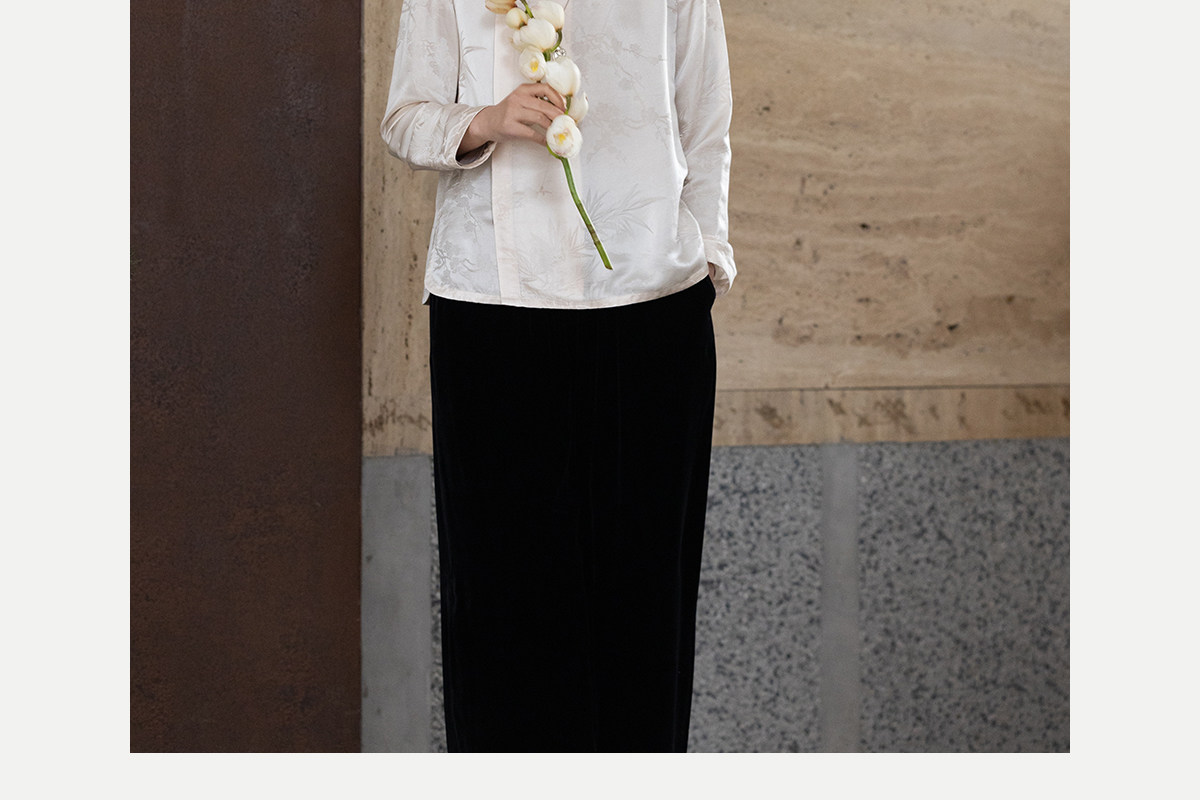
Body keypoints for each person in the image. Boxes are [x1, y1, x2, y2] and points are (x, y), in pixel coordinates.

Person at [381, 0, 735, 752]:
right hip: (492, 313)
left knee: (644, 607)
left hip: (653, 308)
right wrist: (485, 120)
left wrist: (707, 256)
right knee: (504, 608)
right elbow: (405, 118)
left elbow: (705, 114)